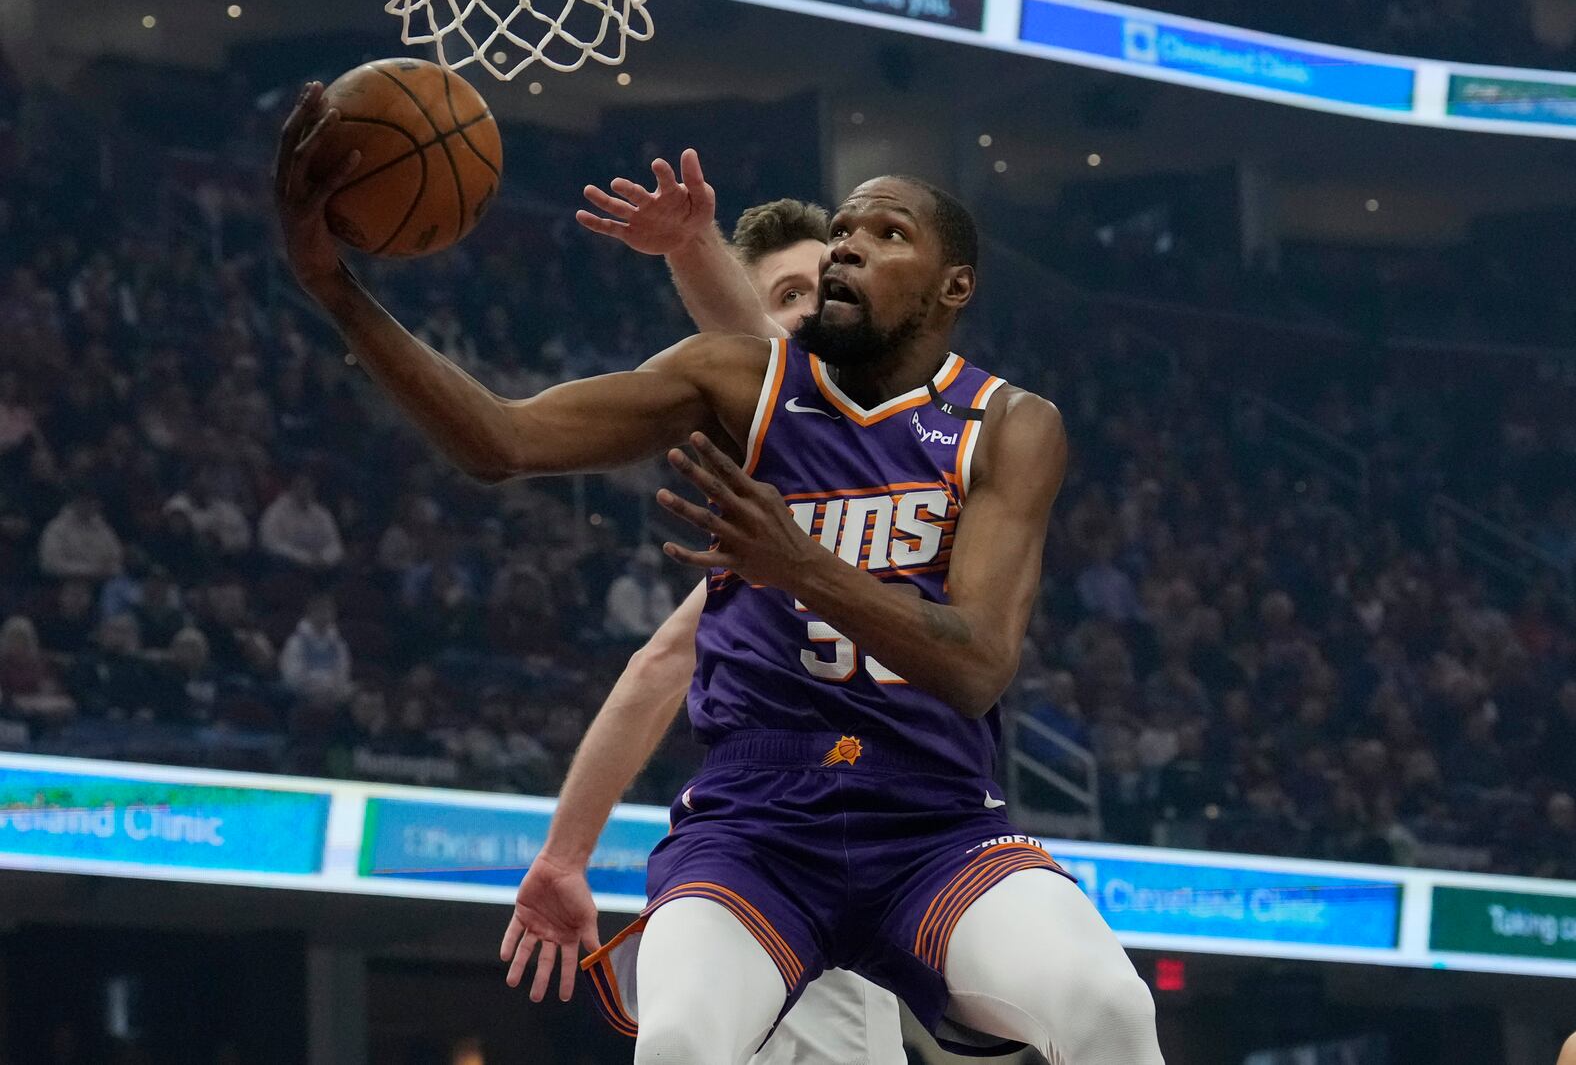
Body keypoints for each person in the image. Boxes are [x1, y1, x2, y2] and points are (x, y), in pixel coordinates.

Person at [278, 83, 1160, 1065]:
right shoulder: (738, 383)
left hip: (935, 820)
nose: (848, 244)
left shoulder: (1007, 423)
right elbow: (501, 438)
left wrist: (799, 564)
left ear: (954, 285)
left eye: (886, 230)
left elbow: (977, 663)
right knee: (682, 1043)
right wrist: (333, 286)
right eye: (844, 229)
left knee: (1109, 1008)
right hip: (754, 826)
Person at [524, 166, 905, 1065]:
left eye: (831, 288)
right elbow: (660, 666)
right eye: (788, 294)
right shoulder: (794, 488)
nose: (815, 310)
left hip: (872, 856)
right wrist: (565, 855)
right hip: (787, 867)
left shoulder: (915, 444)